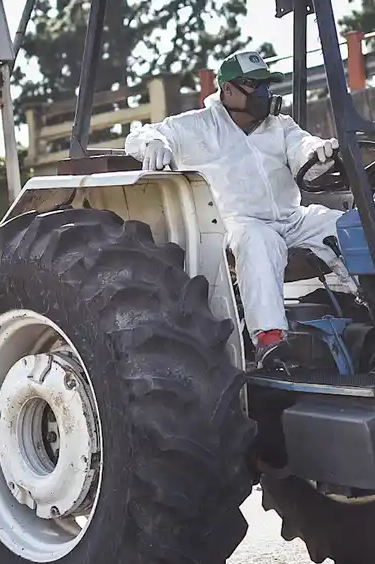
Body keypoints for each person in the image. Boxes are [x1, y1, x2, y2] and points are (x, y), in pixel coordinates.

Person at [125, 49, 356, 368]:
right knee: (258, 241)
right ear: (228, 90)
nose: (265, 93)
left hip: (293, 219)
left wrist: (318, 152)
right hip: (239, 224)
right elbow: (144, 135)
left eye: (267, 85)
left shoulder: (281, 126)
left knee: (347, 226)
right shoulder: (197, 126)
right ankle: (270, 341)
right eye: (255, 85)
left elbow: (303, 148)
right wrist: (154, 144)